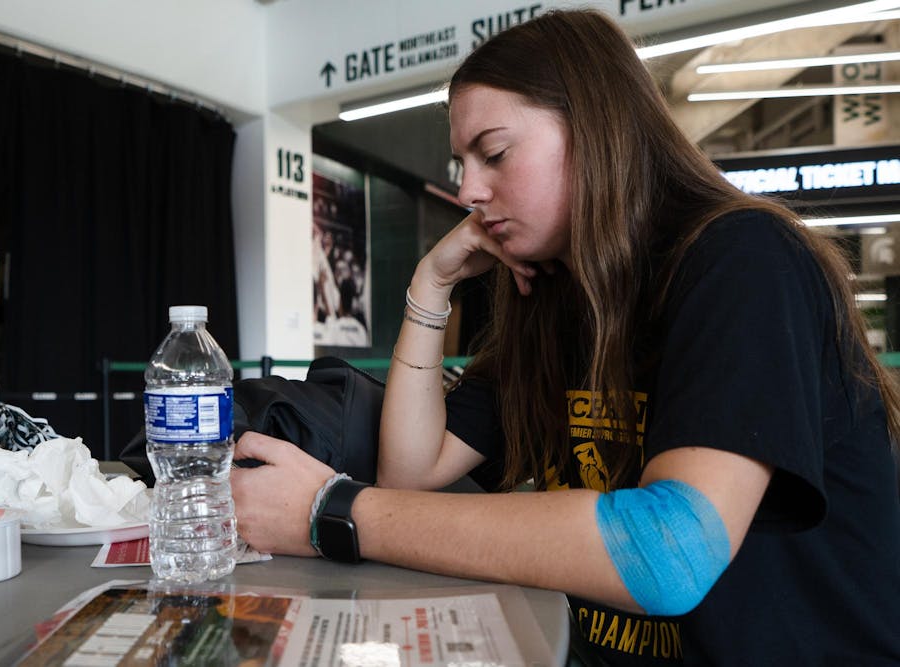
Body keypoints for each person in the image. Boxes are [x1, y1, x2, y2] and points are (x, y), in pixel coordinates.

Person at [231, 9, 900, 665]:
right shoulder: (555, 296)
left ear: (596, 130)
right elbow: (412, 474)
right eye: (462, 161)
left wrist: (331, 511)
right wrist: (430, 284)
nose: (467, 190)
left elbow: (671, 550)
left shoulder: (742, 259)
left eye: (493, 152)